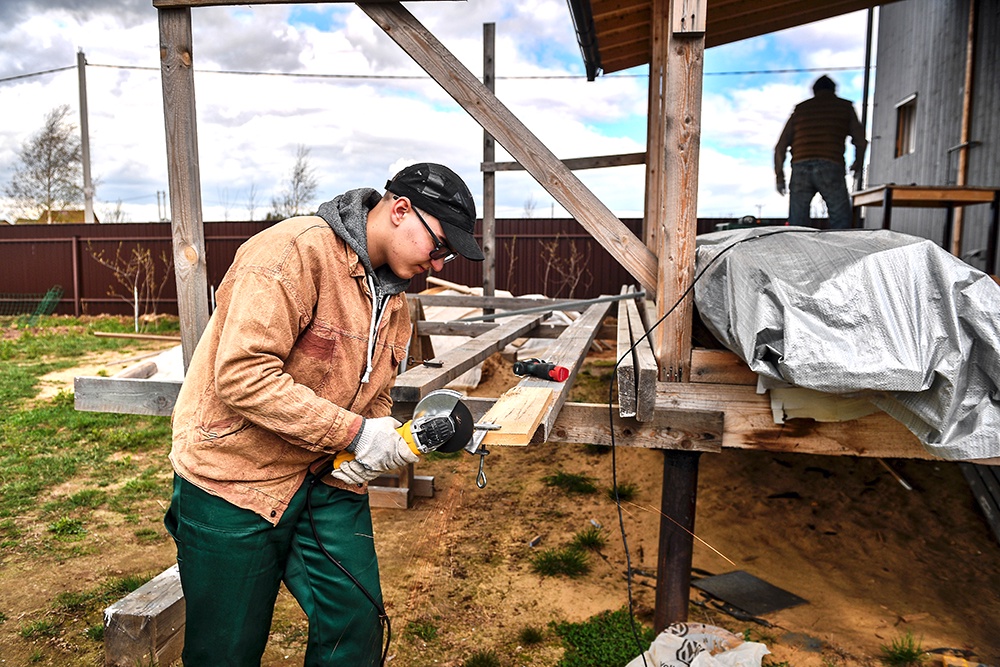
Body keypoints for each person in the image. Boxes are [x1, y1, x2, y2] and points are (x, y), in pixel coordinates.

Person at [164, 162, 484, 666]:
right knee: (225, 649)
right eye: (439, 246)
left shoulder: (395, 300)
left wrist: (373, 448)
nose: (441, 264)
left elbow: (376, 393)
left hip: (326, 479)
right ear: (401, 211)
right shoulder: (293, 252)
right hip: (234, 480)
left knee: (356, 625)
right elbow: (243, 374)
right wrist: (356, 434)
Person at [774, 74, 867, 229]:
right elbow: (861, 141)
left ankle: (796, 252)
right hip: (830, 164)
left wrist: (779, 177)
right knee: (840, 221)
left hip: (800, 167)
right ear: (834, 90)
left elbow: (780, 146)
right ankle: (842, 253)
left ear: (814, 90)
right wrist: (858, 164)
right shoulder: (844, 107)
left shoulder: (801, 110)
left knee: (797, 224)